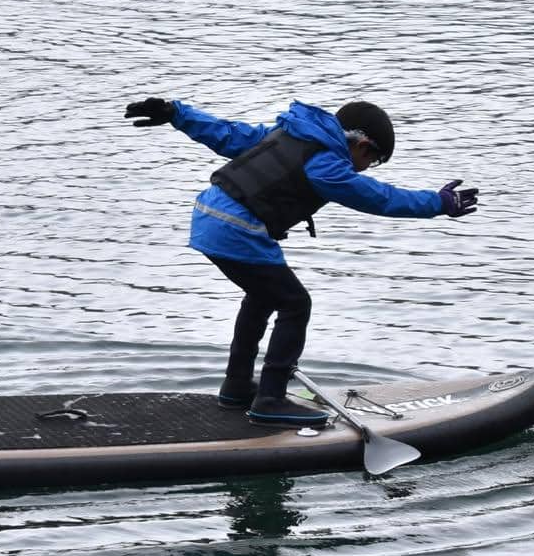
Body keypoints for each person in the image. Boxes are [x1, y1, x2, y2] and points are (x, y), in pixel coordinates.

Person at [123, 96, 478, 428]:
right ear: (362, 145)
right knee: (295, 304)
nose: (366, 169)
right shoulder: (327, 165)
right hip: (237, 230)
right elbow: (377, 198)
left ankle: (236, 387)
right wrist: (437, 204)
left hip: (207, 216)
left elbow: (228, 134)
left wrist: (177, 113)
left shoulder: (287, 133)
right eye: (372, 161)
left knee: (263, 296)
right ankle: (271, 400)